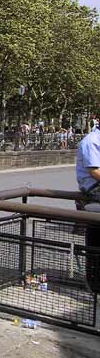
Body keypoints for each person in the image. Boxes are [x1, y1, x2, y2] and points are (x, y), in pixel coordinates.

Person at [75, 125, 100, 293]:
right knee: (96, 246)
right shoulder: (91, 141)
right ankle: (95, 285)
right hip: (95, 194)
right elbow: (95, 171)